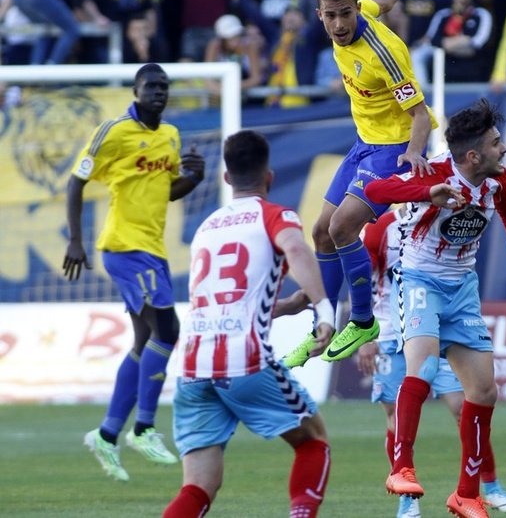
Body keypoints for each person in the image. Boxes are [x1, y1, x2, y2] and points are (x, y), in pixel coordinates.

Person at [367, 100, 506, 518]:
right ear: (471, 156)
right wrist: (426, 193)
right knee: (423, 368)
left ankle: (466, 494)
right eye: (496, 143)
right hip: (419, 280)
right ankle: (401, 469)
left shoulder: (498, 179)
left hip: (463, 287)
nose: (503, 149)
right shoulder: (435, 171)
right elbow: (376, 191)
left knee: (484, 391)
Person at [163, 130, 335, 518]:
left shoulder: (206, 228)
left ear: (226, 178)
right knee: (313, 440)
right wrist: (322, 309)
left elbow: (230, 294)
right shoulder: (275, 215)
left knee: (198, 486)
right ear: (269, 177)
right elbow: (294, 247)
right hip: (243, 360)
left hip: (192, 365)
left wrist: (288, 305)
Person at [284, 0, 436, 367]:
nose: (339, 23)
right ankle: (325, 324)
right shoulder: (356, 12)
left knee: (341, 227)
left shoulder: (385, 51)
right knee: (319, 232)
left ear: (355, 12)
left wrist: (414, 154)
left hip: (394, 148)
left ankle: (364, 320)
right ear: (319, 13)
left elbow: (420, 114)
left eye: (346, 14)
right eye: (330, 15)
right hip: (363, 143)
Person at [63, 63, 206, 482]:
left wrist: (193, 179)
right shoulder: (114, 131)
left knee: (145, 340)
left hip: (153, 248)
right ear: (136, 90)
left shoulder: (170, 136)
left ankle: (107, 434)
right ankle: (143, 428)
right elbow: (76, 182)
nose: (159, 92)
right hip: (124, 247)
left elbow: (166, 192)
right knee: (169, 328)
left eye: (164, 86)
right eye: (151, 86)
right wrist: (76, 239)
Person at [354, 209, 506, 517]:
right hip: (390, 330)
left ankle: (492, 487)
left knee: (464, 405)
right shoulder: (380, 227)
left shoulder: (445, 216)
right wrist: (366, 335)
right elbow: (362, 277)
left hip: (436, 326)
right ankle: (407, 499)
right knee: (394, 413)